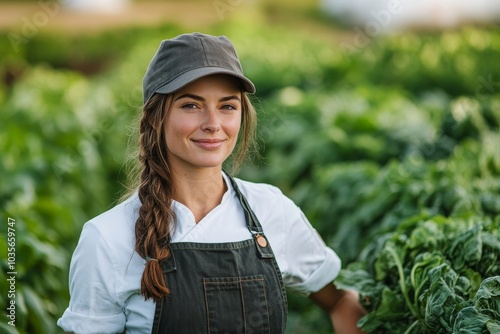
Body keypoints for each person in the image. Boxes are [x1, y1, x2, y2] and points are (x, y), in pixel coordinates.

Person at [57, 32, 366, 333]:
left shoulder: (272, 210)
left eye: (227, 106)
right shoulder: (107, 238)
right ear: (155, 117)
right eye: (191, 105)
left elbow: (340, 300)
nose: (213, 124)